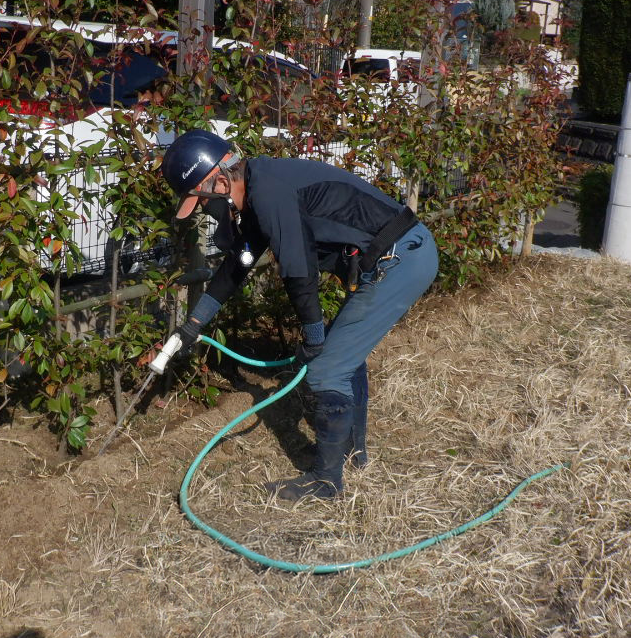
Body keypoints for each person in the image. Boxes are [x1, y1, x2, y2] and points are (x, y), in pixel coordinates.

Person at [157, 129, 438, 500]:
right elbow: (238, 264)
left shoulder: (269, 191)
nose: (206, 210)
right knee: (343, 357)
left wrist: (313, 336)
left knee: (326, 369)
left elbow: (298, 269)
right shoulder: (259, 188)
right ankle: (352, 455)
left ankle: (325, 481)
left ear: (221, 182)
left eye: (203, 200)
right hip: (404, 253)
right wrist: (194, 324)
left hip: (401, 258)